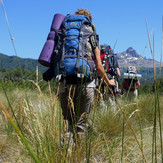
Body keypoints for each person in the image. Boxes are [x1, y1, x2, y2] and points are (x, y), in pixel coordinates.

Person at [55, 9, 115, 141]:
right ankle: (80, 156)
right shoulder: (91, 33)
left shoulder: (64, 32)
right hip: (85, 83)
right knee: (81, 126)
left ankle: (65, 155)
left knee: (69, 124)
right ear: (88, 20)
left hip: (64, 83)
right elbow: (99, 67)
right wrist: (108, 81)